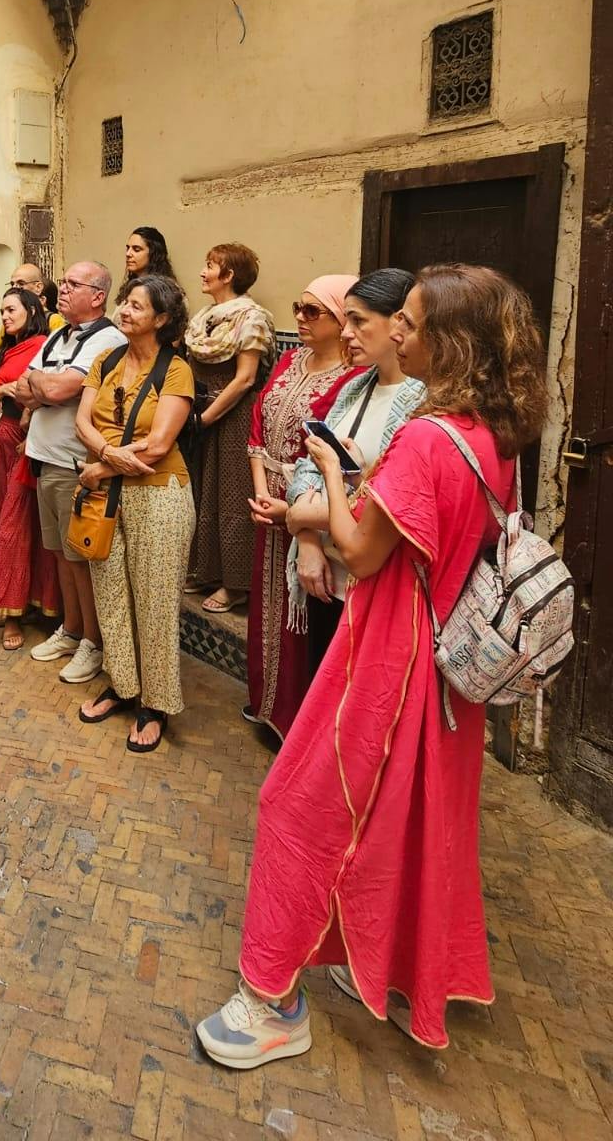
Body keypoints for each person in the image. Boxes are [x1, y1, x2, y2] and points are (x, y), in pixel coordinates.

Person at [197, 264, 548, 1066]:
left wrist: (325, 468)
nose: (398, 335)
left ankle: (272, 1003)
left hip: (389, 651)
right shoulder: (495, 434)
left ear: (449, 343)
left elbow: (358, 547)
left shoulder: (427, 436)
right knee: (410, 820)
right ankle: (386, 965)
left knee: (296, 806)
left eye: (413, 325)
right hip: (448, 667)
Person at [73, 276, 196, 752]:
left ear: (161, 320)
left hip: (159, 493)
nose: (124, 310)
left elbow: (161, 444)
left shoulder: (177, 369)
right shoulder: (105, 360)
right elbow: (83, 420)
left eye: (137, 306)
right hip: (105, 491)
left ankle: (157, 703)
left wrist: (98, 467)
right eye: (125, 302)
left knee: (155, 600)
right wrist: (107, 453)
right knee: (110, 593)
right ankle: (124, 686)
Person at [284, 269, 423, 681]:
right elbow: (309, 466)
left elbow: (385, 502)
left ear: (397, 322)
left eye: (358, 320)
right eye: (345, 320)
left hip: (373, 585)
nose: (346, 333)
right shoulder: (355, 388)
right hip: (324, 574)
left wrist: (305, 516)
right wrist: (307, 542)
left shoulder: (421, 402)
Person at [244, 276, 361, 740]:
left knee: (302, 612)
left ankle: (297, 722)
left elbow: (327, 450)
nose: (300, 318)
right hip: (266, 500)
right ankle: (266, 703)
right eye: (299, 307)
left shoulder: (352, 380)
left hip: (308, 508)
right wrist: (260, 492)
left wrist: (287, 507)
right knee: (268, 606)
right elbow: (258, 424)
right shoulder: (290, 359)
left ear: (340, 321)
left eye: (313, 312)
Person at [12, 261, 119, 684]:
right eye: (66, 281)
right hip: (44, 458)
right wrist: (46, 386)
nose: (63, 288)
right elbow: (24, 389)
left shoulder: (109, 338)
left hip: (74, 464)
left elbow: (54, 390)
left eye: (74, 284)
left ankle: (93, 642)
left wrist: (45, 386)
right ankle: (72, 630)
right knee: (58, 553)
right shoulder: (58, 334)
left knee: (79, 560)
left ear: (97, 295)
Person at [185, 243, 276, 615]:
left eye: (211, 266)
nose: (203, 272)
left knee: (233, 495)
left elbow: (245, 379)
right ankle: (206, 570)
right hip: (202, 410)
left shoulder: (251, 318)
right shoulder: (205, 317)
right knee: (204, 491)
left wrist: (205, 420)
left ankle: (235, 583)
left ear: (229, 275)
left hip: (235, 416)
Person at [0, 287, 58, 650]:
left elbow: (49, 395)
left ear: (30, 308)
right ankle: (11, 604)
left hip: (31, 439)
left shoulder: (47, 344)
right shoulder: (5, 351)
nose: (5, 316)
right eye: (1, 311)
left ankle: (22, 611)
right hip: (4, 437)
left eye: (11, 309)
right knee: (4, 519)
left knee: (22, 523)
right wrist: (0, 391)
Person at [0, 264, 65, 356]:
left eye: (21, 284)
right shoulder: (10, 319)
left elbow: (58, 358)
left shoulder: (53, 320)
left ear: (38, 287)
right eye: (12, 284)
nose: (14, 288)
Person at [116, 226, 175, 304]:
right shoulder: (129, 288)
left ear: (153, 254)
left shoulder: (168, 294)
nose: (128, 254)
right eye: (128, 248)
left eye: (136, 249)